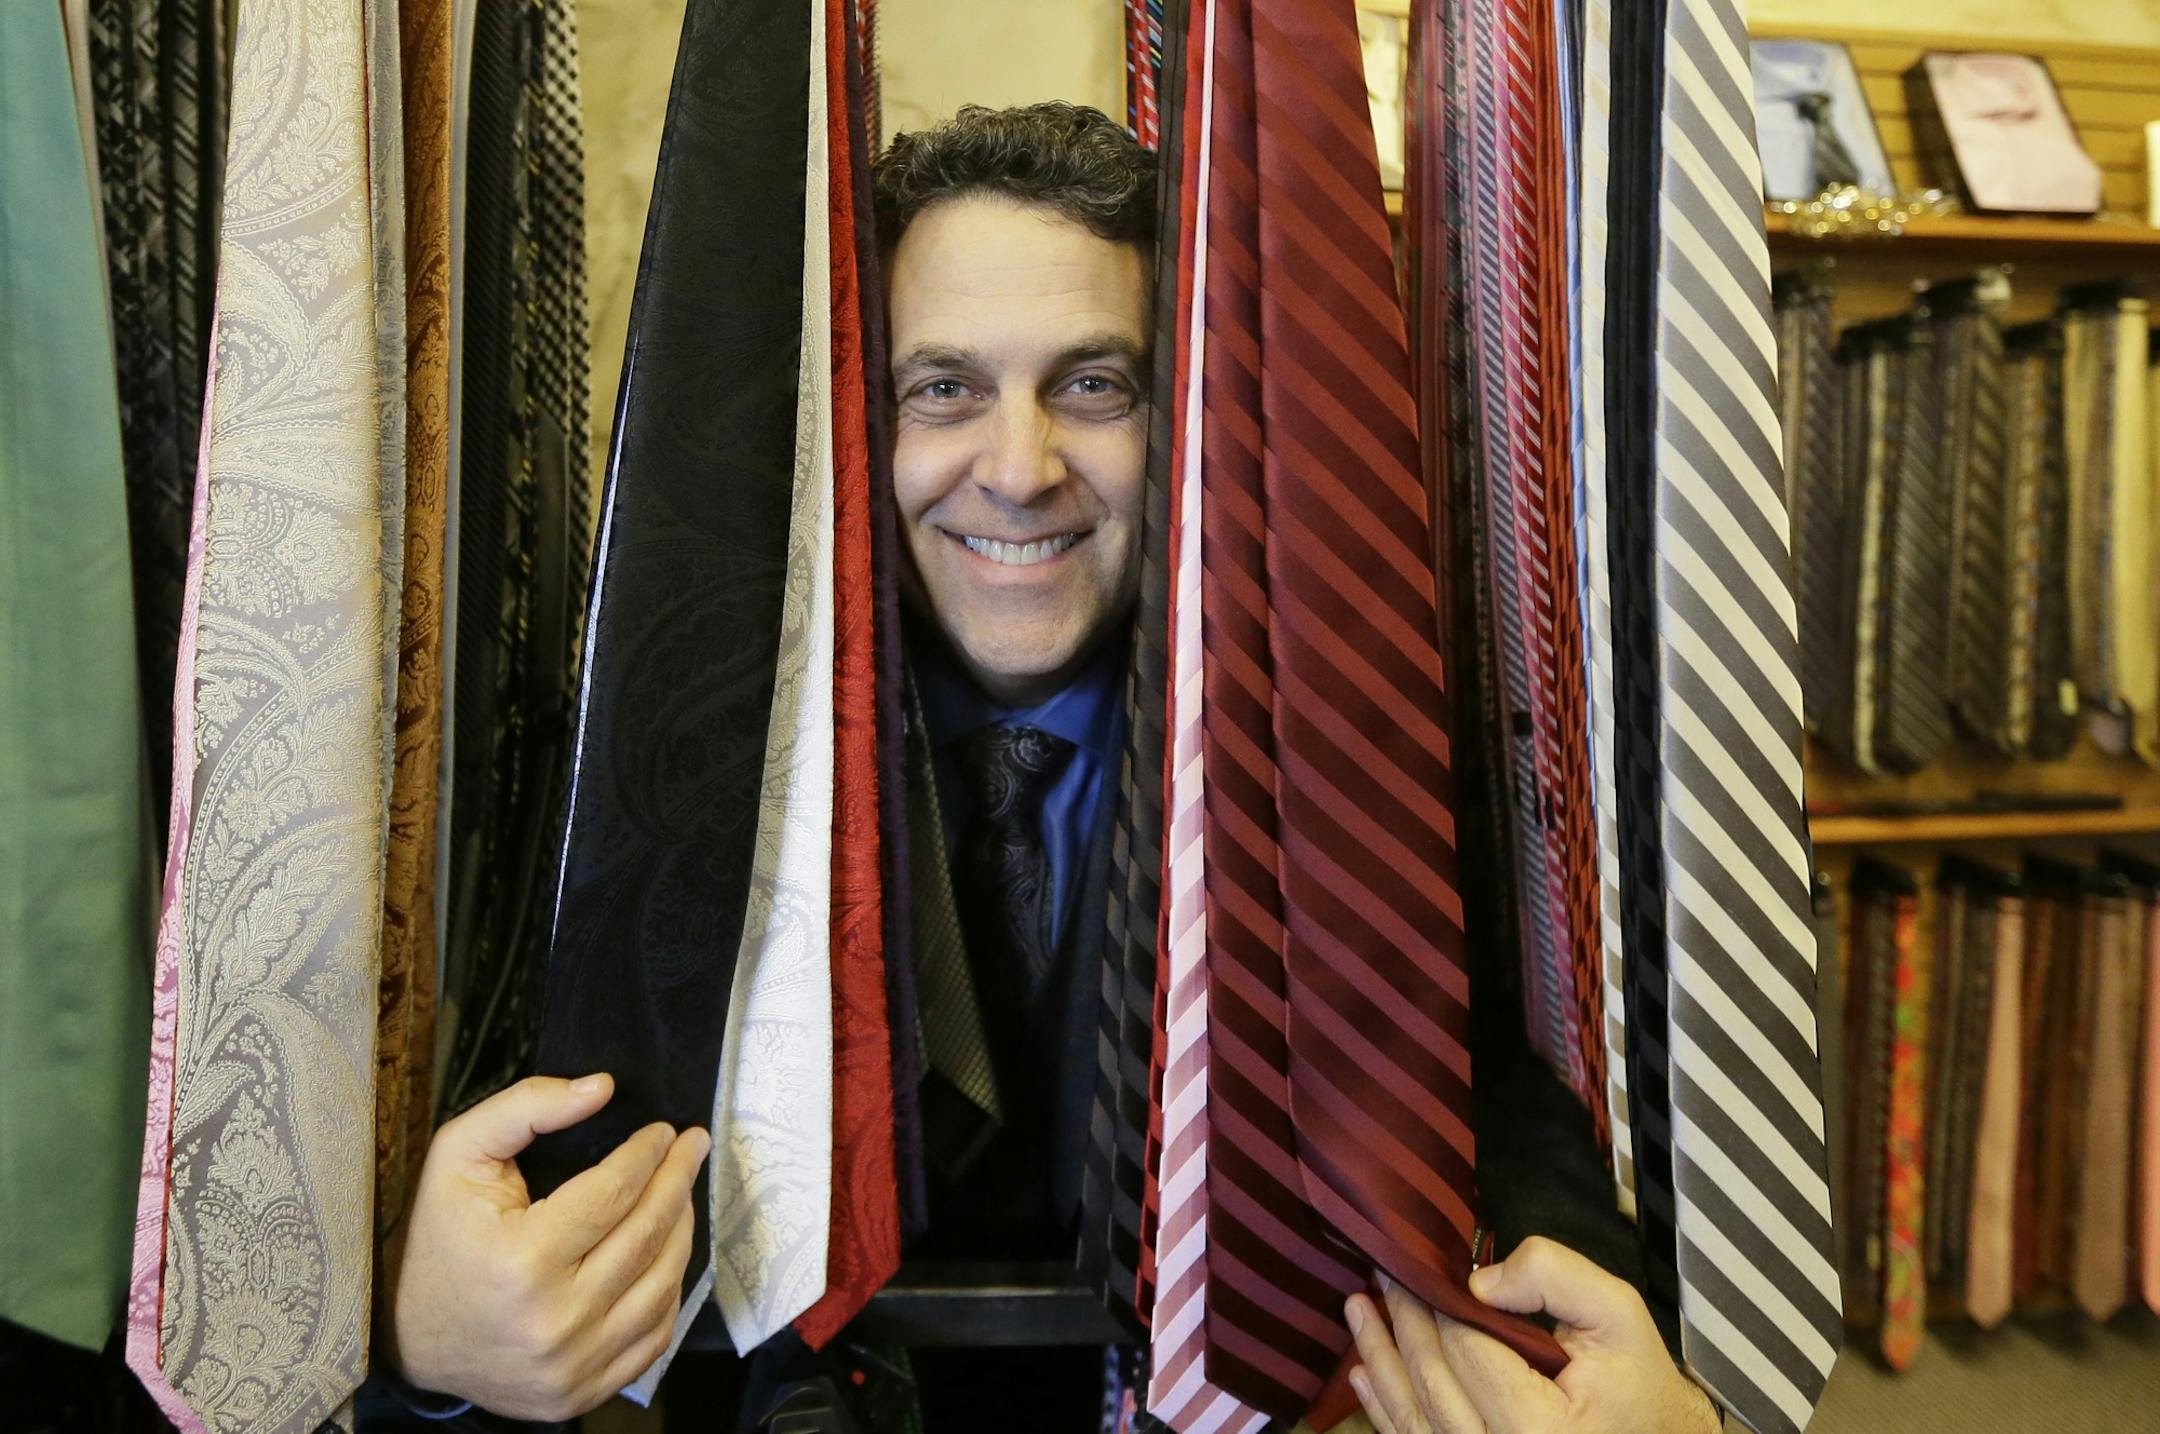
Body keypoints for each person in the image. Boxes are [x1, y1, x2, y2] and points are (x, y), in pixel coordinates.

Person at [375, 103, 1721, 1434]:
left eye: (1092, 384)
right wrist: (423, 1343)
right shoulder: (697, 737)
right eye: (945, 387)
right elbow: (527, 1107)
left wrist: (1611, 1365)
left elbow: (1466, 1057)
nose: (1019, 471)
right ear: (855, 421)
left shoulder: (1309, 732)